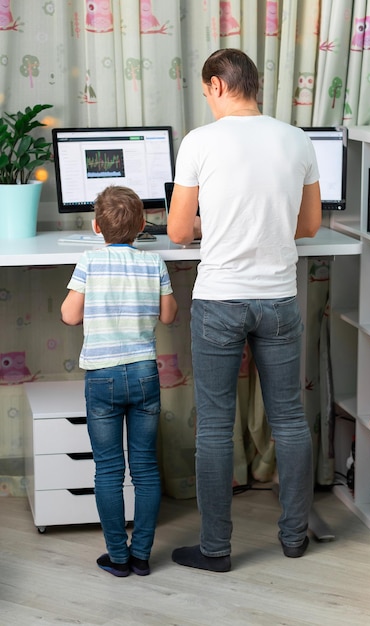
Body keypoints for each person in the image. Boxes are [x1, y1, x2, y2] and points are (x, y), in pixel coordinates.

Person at [167, 48, 322, 572]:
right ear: (253, 86)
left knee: (214, 427)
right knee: (290, 421)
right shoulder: (296, 138)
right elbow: (309, 226)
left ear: (216, 85)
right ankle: (295, 536)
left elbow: (179, 232)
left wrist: (219, 227)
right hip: (278, 298)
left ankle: (215, 550)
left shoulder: (199, 142)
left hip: (220, 300)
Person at [61, 185, 178, 577]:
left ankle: (118, 556)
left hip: (103, 377)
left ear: (96, 227)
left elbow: (70, 316)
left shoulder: (89, 262)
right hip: (144, 374)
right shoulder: (155, 263)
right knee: (144, 467)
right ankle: (142, 554)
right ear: (143, 225)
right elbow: (168, 316)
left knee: (108, 470)